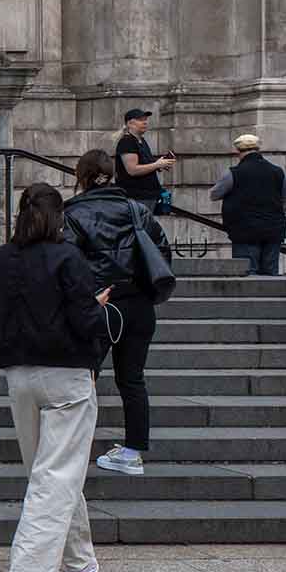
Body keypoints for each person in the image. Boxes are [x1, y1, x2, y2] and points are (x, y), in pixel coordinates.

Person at [0, 183, 111, 572]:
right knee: (56, 474)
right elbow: (87, 321)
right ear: (59, 217)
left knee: (47, 471)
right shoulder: (69, 258)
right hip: (66, 375)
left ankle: (79, 561)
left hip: (19, 375)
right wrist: (99, 310)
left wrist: (4, 355)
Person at [64, 149, 171, 478]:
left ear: (82, 176)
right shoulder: (137, 210)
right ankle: (133, 451)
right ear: (111, 174)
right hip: (137, 303)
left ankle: (71, 448)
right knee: (132, 379)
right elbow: (162, 252)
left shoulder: (73, 213)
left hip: (98, 303)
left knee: (84, 377)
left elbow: (66, 264)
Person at [211, 133, 286, 276]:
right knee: (270, 273)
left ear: (238, 152)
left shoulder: (234, 173)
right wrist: (273, 214)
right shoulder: (278, 171)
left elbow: (214, 194)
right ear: (258, 150)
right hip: (273, 229)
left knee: (246, 274)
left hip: (244, 230)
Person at [114, 108, 174, 211]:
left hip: (149, 195)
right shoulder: (127, 142)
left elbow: (146, 163)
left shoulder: (141, 140)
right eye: (141, 119)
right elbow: (132, 170)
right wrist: (157, 165)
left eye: (145, 119)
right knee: (140, 225)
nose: (145, 122)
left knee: (153, 221)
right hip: (137, 197)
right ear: (130, 123)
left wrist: (161, 163)